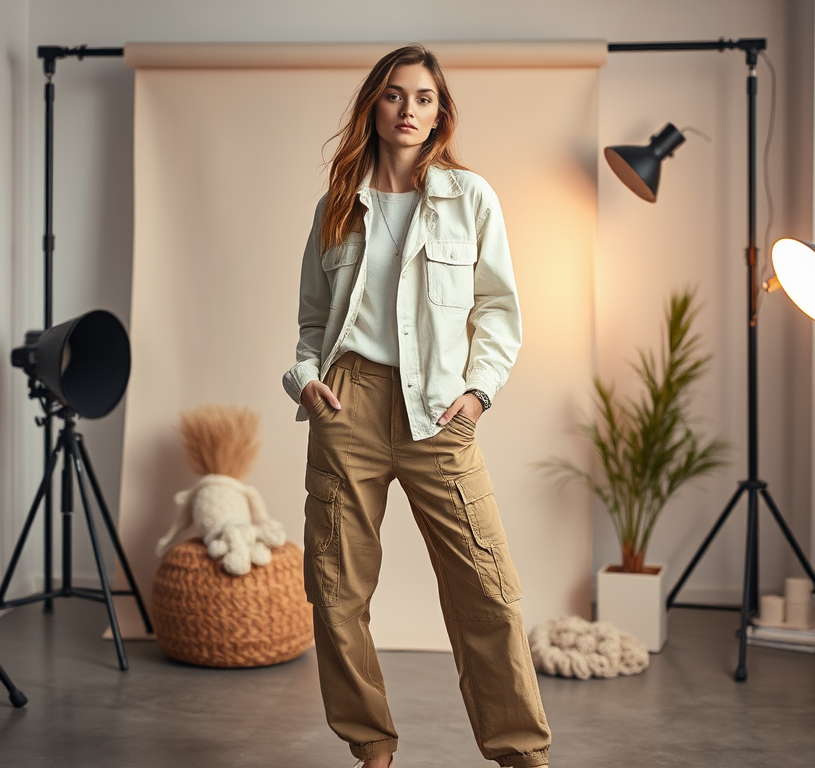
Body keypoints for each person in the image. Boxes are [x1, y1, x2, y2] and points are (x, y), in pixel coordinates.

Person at [282, 44, 551, 768]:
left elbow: (499, 310)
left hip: (439, 412)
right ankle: (371, 747)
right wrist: (305, 378)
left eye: (424, 98)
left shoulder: (471, 197)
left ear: (440, 112)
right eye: (396, 95)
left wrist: (478, 392)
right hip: (350, 404)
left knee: (487, 591)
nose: (409, 110)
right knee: (337, 591)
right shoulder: (337, 205)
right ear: (375, 103)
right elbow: (312, 324)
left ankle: (522, 753)